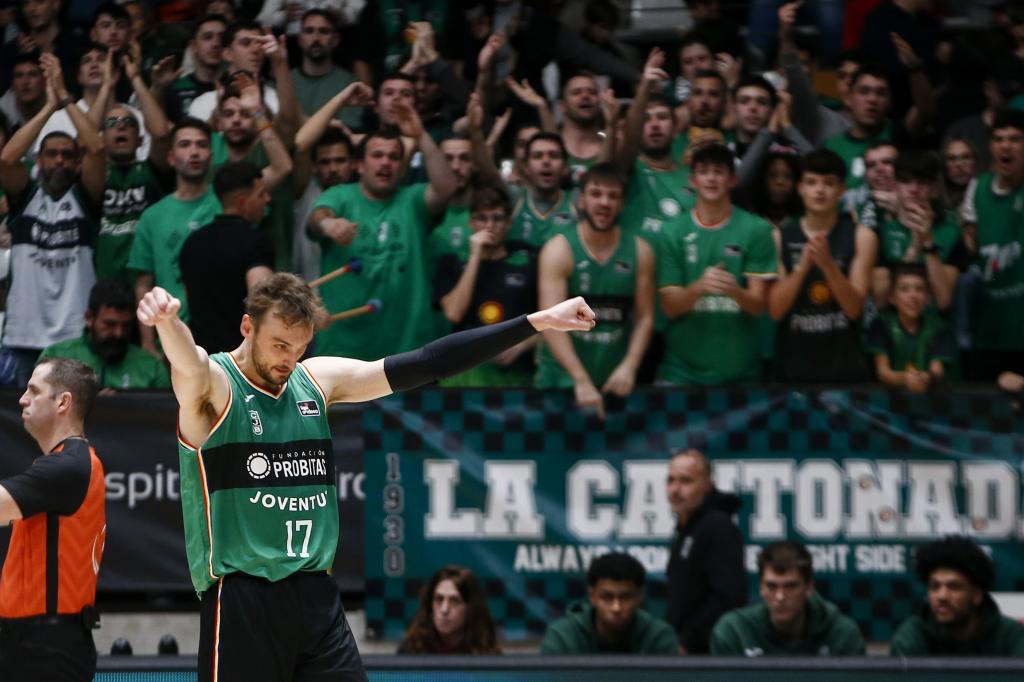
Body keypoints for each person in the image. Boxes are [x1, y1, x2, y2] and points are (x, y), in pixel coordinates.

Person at [137, 272, 595, 681]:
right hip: (244, 601)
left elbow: (426, 363)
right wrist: (166, 322)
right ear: (247, 327)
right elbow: (187, 362)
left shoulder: (315, 380)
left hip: (316, 594)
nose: (288, 361)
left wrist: (536, 321)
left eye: (299, 349)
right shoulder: (217, 387)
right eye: (279, 346)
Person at [307, 104, 456, 361]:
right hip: (344, 348)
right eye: (377, 155)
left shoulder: (413, 200)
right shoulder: (341, 195)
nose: (385, 162)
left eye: (393, 157)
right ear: (360, 164)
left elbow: (446, 187)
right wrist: (328, 225)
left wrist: (421, 135)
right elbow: (316, 219)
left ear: (402, 167)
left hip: (408, 348)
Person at [0, 56, 103, 388]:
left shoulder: (86, 197)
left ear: (76, 164)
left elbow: (97, 147)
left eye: (67, 155)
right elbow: (6, 158)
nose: (59, 160)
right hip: (22, 336)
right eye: (51, 154)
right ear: (39, 161)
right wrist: (48, 107)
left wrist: (65, 99)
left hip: (74, 338)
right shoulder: (25, 196)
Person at [0, 358, 105, 682]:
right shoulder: (67, 463)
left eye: (34, 390)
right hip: (35, 643)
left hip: (46, 648)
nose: (22, 398)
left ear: (63, 402)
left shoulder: (69, 466)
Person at [536, 163, 655, 418]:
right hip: (562, 382)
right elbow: (549, 322)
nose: (604, 202)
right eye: (596, 194)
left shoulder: (640, 251)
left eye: (613, 196)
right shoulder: (558, 250)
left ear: (622, 204)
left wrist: (630, 366)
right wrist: (579, 379)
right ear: (581, 200)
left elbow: (645, 317)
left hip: (616, 381)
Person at [658, 143, 777, 386]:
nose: (711, 178)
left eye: (719, 172)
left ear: (732, 180)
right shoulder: (672, 232)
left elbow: (757, 306)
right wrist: (698, 287)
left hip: (741, 375)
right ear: (692, 180)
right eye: (703, 172)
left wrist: (735, 291)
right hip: (681, 375)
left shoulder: (757, 230)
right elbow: (669, 307)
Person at [769, 150, 877, 384]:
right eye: (811, 182)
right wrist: (802, 268)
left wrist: (828, 266)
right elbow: (775, 311)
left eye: (828, 183)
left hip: (845, 372)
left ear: (842, 190)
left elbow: (854, 309)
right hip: (792, 372)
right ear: (800, 188)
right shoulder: (780, 236)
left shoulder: (862, 236)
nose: (819, 190)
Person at [127, 118, 222, 357]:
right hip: (171, 337)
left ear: (211, 155)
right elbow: (143, 284)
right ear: (171, 157)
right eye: (185, 144)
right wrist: (147, 343)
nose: (194, 152)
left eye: (201, 145)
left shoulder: (227, 203)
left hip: (223, 333)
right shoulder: (152, 216)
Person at [433, 186, 538, 387]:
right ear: (471, 222)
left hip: (515, 380)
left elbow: (550, 319)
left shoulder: (528, 261)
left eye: (497, 218)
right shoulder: (452, 262)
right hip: (463, 379)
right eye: (482, 218)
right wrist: (475, 256)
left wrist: (523, 345)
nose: (490, 225)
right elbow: (454, 313)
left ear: (508, 223)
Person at [179, 161, 274, 354]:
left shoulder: (192, 243)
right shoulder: (256, 242)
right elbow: (262, 303)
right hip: (241, 363)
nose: (268, 199)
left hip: (203, 359)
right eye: (261, 194)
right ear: (241, 202)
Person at [710, 541, 866, 656]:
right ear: (761, 587)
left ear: (809, 588)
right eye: (771, 586)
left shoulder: (841, 634)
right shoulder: (734, 632)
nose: (780, 597)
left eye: (790, 586)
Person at [960, 110, 1024, 381]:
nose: (1005, 146)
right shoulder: (977, 188)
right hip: (989, 331)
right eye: (999, 139)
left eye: (1015, 139)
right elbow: (971, 244)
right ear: (990, 146)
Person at [665, 449, 746, 654]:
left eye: (686, 481)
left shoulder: (717, 526)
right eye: (670, 480)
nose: (675, 489)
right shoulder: (687, 527)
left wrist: (688, 641)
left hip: (709, 655)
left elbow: (729, 596)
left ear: (707, 485)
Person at [891, 536, 1024, 656]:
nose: (942, 596)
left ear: (977, 595)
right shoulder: (911, 638)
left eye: (954, 587)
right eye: (934, 587)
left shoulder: (1012, 637)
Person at [870, 151, 964, 311]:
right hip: (890, 327)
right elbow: (881, 301)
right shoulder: (881, 231)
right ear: (895, 186)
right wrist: (913, 249)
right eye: (905, 181)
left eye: (922, 182)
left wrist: (927, 242)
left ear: (934, 189)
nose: (913, 189)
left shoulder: (951, 232)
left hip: (936, 326)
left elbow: (943, 301)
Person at [40, 279, 170, 390]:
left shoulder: (151, 367)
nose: (119, 333)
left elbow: (164, 415)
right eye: (110, 324)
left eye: (126, 326)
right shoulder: (56, 357)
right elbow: (38, 408)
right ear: (89, 318)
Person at [541, 552, 678, 654]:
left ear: (638, 597)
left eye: (625, 597)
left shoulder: (659, 636)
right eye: (606, 597)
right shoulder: (562, 637)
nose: (616, 608)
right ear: (592, 596)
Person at [866, 264, 952, 394]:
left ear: (927, 297)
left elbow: (937, 370)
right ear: (892, 297)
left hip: (929, 399)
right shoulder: (881, 324)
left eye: (919, 289)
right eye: (904, 289)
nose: (913, 296)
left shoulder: (938, 327)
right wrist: (906, 378)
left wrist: (925, 378)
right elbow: (883, 372)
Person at [397, 565, 500, 654]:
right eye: (439, 599)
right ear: (429, 605)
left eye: (454, 601)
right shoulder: (411, 651)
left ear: (470, 608)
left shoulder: (486, 654)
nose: (444, 610)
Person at [507, 132, 578, 253]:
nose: (546, 161)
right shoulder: (514, 198)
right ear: (526, 167)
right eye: (537, 156)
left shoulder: (578, 201)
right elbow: (487, 175)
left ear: (565, 166)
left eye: (554, 156)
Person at [291, 10, 360, 130]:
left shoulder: (349, 84)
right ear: (300, 40)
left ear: (335, 40)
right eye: (309, 31)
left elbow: (346, 131)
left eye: (323, 31)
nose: (316, 38)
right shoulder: (285, 81)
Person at [161, 14, 226, 124]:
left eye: (222, 38)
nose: (216, 44)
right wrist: (158, 88)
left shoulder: (237, 85)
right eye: (207, 37)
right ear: (193, 46)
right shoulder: (176, 89)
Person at [0, 53, 46, 129]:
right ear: (12, 83)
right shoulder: (2, 109)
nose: (25, 82)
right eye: (19, 75)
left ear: (44, 81)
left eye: (33, 74)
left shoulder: (57, 107)